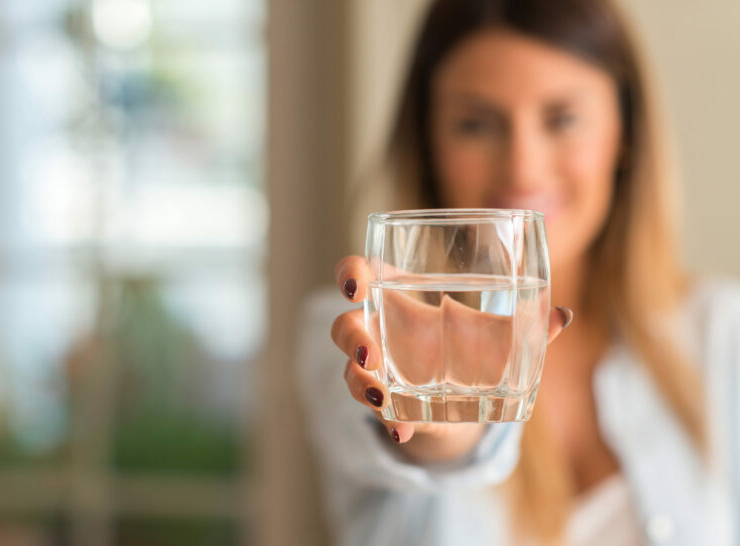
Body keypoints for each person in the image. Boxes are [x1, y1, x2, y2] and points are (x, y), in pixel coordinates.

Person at [297, 0, 740, 544]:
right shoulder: (355, 329)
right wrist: (438, 422)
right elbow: (402, 448)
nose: (522, 167)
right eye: (476, 124)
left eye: (562, 119)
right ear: (429, 141)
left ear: (625, 132)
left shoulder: (720, 333)